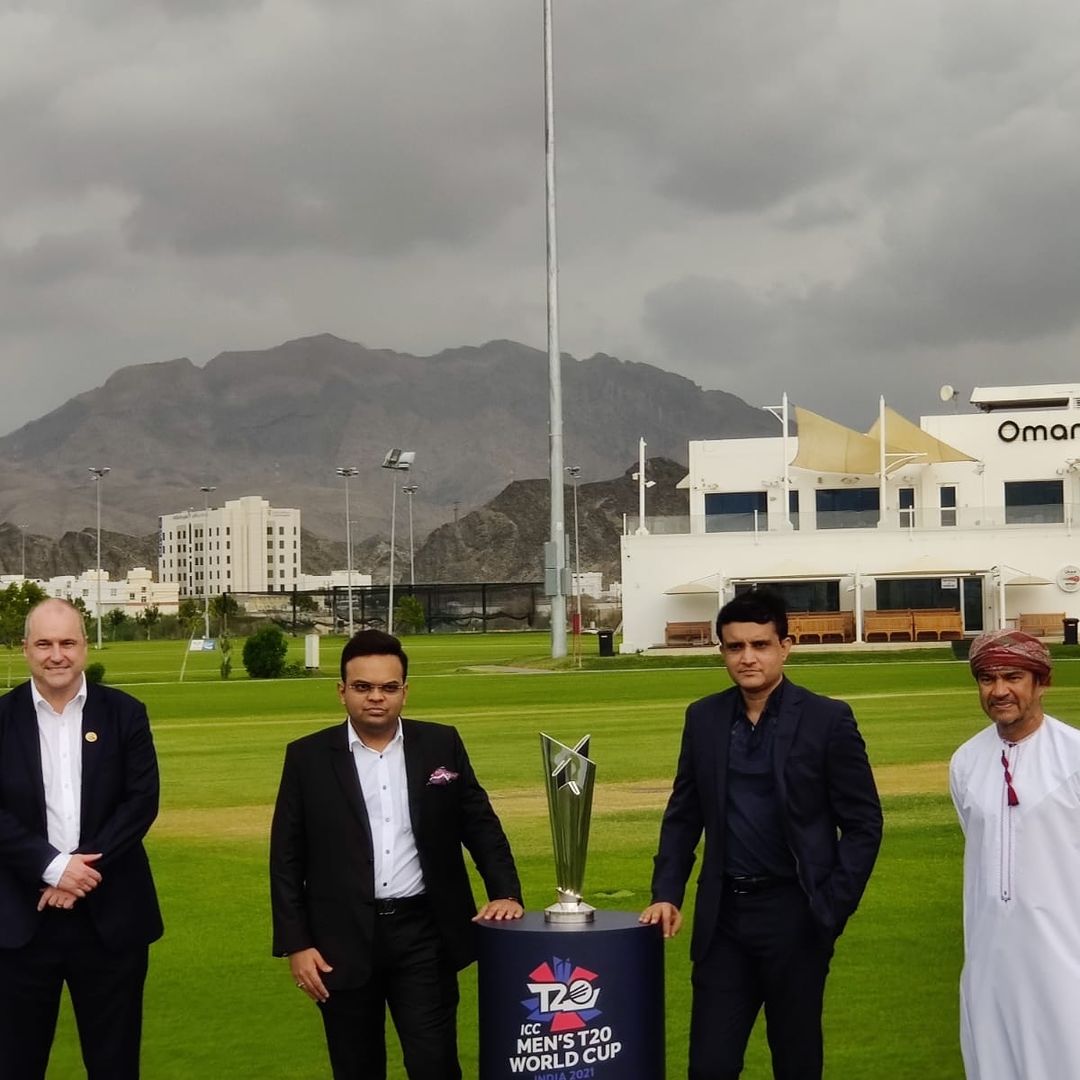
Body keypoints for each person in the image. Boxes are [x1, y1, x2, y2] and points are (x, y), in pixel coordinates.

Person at [640, 589, 882, 1080]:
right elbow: (684, 814)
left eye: (760, 645)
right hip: (723, 920)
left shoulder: (827, 719)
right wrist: (667, 892)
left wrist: (831, 907)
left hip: (795, 916)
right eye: (735, 647)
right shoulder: (703, 717)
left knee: (795, 1061)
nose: (748, 658)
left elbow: (863, 823)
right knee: (709, 1065)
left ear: (785, 646)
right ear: (722, 652)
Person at [270, 628, 524, 1080]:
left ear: (405, 692)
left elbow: (480, 824)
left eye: (388, 687)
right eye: (363, 687)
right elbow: (286, 857)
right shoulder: (307, 758)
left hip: (424, 932)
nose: (376, 698)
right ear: (342, 691)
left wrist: (505, 891)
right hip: (339, 941)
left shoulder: (441, 744)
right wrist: (297, 943)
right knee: (357, 1067)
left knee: (434, 1063)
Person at [0, 598, 163, 1080]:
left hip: (111, 923)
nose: (57, 655)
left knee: (114, 1065)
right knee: (15, 1064)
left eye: (68, 643)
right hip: (19, 923)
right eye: (45, 644)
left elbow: (140, 803)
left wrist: (77, 873)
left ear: (85, 647)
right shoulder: (2, 719)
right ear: (25, 648)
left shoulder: (126, 714)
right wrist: (54, 868)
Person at [950, 629, 1080, 1078]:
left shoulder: (1075, 755)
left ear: (1041, 682)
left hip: (1065, 954)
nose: (999, 690)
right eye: (987, 678)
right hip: (990, 956)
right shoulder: (965, 761)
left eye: (1013, 676)